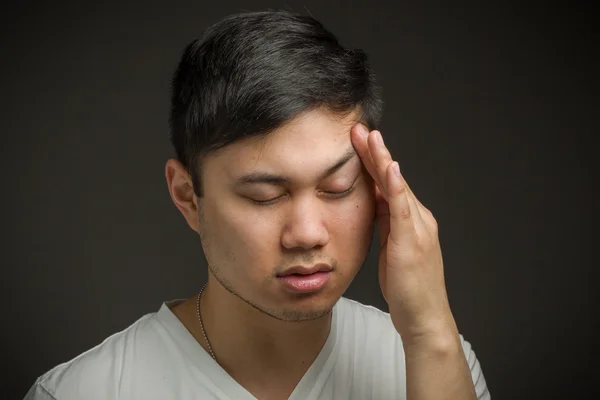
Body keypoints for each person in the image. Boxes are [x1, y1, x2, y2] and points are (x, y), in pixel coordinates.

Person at [25, 9, 490, 400]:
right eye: (264, 196)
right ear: (188, 196)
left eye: (339, 186)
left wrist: (429, 331)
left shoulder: (437, 363)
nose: (308, 232)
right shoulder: (82, 392)